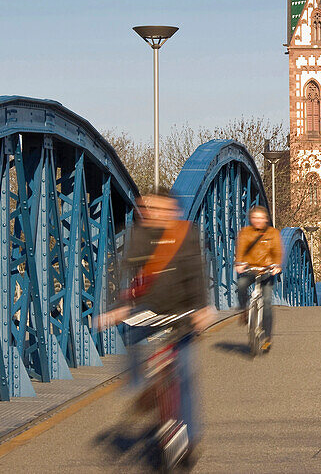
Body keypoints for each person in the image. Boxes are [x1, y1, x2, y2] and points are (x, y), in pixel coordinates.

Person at [96, 192, 214, 454]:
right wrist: (117, 310)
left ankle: (189, 436)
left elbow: (196, 274)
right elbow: (129, 279)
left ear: (172, 210)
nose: (153, 212)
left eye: (159, 208)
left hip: (181, 312)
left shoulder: (187, 234)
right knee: (129, 335)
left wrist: (202, 309)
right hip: (148, 311)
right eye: (148, 208)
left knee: (184, 372)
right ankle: (140, 387)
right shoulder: (138, 236)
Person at [235, 206, 282, 350]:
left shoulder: (273, 233)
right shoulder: (245, 233)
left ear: (266, 219)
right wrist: (239, 263)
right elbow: (241, 249)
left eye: (261, 218)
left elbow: (277, 251)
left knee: (267, 302)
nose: (258, 221)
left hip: (267, 270)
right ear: (251, 219)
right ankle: (244, 310)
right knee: (241, 285)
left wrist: (277, 265)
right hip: (250, 268)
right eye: (255, 218)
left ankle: (267, 337)